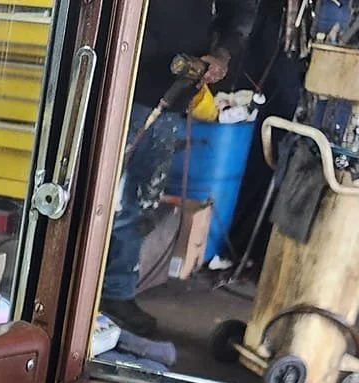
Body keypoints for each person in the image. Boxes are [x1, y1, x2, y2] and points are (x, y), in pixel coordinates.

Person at [102, 0, 258, 339]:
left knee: (138, 203)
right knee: (90, 191)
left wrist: (221, 56)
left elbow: (237, 16)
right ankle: (60, 286)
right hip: (108, 80)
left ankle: (115, 293)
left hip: (169, 92)